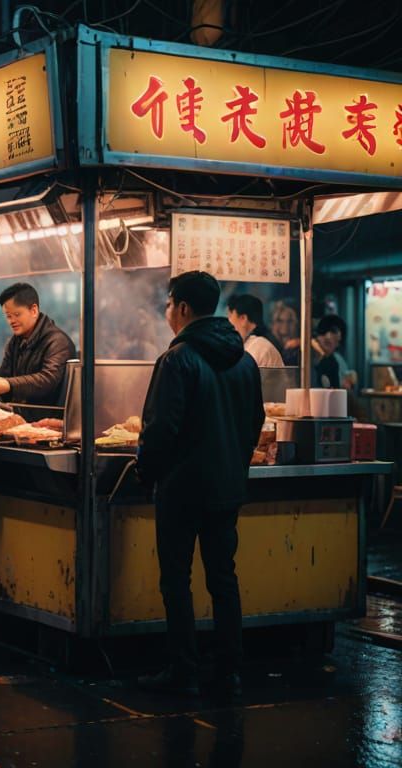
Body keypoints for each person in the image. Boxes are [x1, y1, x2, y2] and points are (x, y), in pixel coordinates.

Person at [136, 271, 262, 701]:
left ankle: (183, 670)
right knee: (224, 579)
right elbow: (255, 423)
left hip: (182, 490)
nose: (168, 312)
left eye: (169, 304)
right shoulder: (245, 361)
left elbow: (159, 430)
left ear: (183, 307)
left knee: (176, 580)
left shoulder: (178, 359)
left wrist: (145, 473)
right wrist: (235, 466)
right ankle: (229, 671)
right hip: (226, 487)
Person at [0, 282, 77, 422]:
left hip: (52, 427)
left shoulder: (57, 341)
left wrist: (9, 384)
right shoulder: (14, 342)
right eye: (8, 316)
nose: (12, 321)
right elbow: (5, 378)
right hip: (23, 424)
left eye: (17, 314)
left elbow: (48, 380)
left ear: (33, 310)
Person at [226, 295, 284, 368]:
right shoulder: (249, 344)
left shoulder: (261, 347)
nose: (227, 322)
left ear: (243, 319)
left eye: (229, 316)